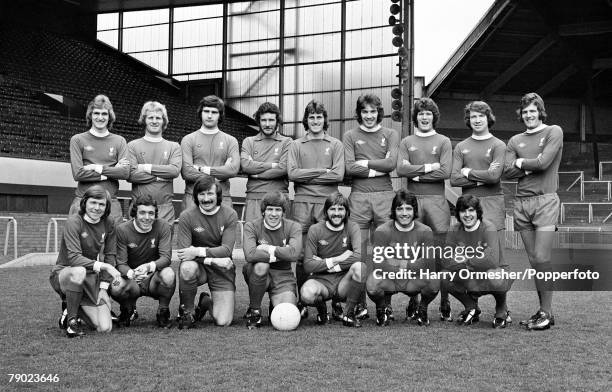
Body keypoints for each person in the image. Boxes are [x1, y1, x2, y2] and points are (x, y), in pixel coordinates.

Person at [503, 92, 563, 330]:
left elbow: (544, 163)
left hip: (545, 200)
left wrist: (520, 163)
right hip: (521, 203)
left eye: (533, 110)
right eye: (525, 111)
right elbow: (506, 172)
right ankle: (543, 311)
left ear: (540, 111)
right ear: (521, 114)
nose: (529, 115)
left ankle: (546, 313)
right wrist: (527, 165)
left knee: (541, 257)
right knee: (534, 261)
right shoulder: (514, 140)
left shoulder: (553, 131)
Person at [343, 94, 399, 319]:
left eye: (373, 111)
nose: (369, 116)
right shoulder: (349, 135)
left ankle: (384, 304)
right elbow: (348, 167)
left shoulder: (391, 133)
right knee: (359, 252)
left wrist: (364, 163)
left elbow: (391, 164)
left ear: (379, 112)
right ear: (359, 113)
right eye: (364, 112)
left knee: (384, 252)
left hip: (385, 195)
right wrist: (379, 167)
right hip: (358, 197)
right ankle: (360, 303)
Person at [396, 97, 453, 321]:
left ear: (434, 116)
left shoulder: (444, 141)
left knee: (440, 256)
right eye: (421, 113)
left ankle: (445, 301)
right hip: (413, 201)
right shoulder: (406, 141)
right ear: (415, 117)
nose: (424, 116)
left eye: (428, 113)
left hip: (437, 201)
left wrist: (415, 172)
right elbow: (401, 169)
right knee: (413, 253)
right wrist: (429, 168)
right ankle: (414, 298)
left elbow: (446, 172)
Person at [287, 100, 344, 318]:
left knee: (333, 252)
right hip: (301, 202)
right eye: (311, 117)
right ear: (306, 120)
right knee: (302, 256)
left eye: (319, 117)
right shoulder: (296, 145)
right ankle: (303, 301)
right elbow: (292, 174)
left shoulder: (335, 144)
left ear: (324, 119)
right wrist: (322, 170)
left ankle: (337, 303)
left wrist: (306, 173)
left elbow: (338, 175)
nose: (315, 121)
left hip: (328, 202)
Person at [450, 101, 507, 311]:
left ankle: (502, 308)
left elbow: (494, 177)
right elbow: (454, 179)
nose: (477, 120)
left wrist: (468, 172)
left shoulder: (499, 145)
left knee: (495, 258)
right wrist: (481, 178)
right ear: (468, 120)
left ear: (488, 117)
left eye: (481, 116)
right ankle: (470, 304)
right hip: (468, 206)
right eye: (473, 116)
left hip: (493, 203)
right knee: (467, 253)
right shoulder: (461, 146)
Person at [50, 185, 122, 337]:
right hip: (65, 272)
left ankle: (71, 307)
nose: (97, 208)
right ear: (85, 203)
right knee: (79, 270)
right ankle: (72, 322)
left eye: (101, 204)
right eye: (93, 203)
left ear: (107, 206)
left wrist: (103, 288)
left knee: (105, 328)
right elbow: (74, 258)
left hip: (90, 276)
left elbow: (110, 254)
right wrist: (105, 267)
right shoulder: (74, 222)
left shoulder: (109, 222)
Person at [366, 190, 438, 326]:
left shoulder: (425, 231)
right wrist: (410, 264)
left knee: (433, 280)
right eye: (400, 209)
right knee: (372, 283)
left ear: (414, 210)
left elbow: (429, 263)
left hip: (413, 280)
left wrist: (402, 264)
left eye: (408, 209)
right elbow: (378, 263)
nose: (404, 213)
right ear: (394, 210)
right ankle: (382, 308)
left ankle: (422, 309)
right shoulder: (382, 231)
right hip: (390, 279)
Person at [175, 175, 238, 328]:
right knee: (187, 268)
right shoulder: (186, 216)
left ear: (218, 195)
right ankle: (187, 313)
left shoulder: (230, 214)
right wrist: (213, 259)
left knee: (223, 322)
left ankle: (206, 303)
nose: (206, 198)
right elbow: (185, 254)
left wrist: (197, 251)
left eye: (210, 194)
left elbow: (226, 250)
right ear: (196, 196)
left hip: (222, 268)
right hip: (201, 266)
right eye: (201, 194)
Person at [443, 195, 513, 328]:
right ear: (458, 213)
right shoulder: (454, 229)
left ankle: (501, 310)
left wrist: (464, 259)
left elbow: (491, 261)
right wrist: (468, 263)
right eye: (463, 211)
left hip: (493, 272)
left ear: (477, 212)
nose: (467, 215)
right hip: (471, 273)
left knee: (495, 276)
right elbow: (446, 259)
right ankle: (472, 307)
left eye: (471, 210)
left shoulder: (488, 228)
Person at [300, 192, 365, 327]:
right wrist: (339, 258)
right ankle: (322, 310)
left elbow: (359, 256)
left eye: (341, 209)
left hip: (343, 281)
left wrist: (327, 264)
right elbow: (308, 265)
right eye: (332, 209)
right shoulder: (315, 229)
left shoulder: (352, 227)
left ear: (347, 211)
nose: (337, 213)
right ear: (326, 211)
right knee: (306, 294)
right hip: (321, 281)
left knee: (360, 267)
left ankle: (348, 314)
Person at [109, 195, 175, 328]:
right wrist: (132, 274)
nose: (147, 217)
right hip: (131, 278)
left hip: (152, 278)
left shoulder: (163, 226)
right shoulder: (122, 230)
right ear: (134, 213)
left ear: (155, 214)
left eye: (151, 213)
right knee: (116, 286)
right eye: (142, 212)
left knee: (169, 274)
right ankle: (127, 310)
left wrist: (148, 267)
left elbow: (166, 258)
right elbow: (120, 263)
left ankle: (163, 311)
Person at [242, 191, 302, 328]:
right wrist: (283, 252)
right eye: (270, 209)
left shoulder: (294, 227)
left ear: (283, 212)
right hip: (258, 271)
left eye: (278, 210)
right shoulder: (251, 226)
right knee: (261, 266)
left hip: (283, 275)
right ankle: (255, 310)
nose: (273, 214)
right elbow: (250, 255)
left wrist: (269, 248)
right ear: (263, 211)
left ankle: (273, 305)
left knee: (286, 313)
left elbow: (294, 255)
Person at [69, 94, 129, 221]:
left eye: (104, 114)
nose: (100, 117)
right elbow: (78, 174)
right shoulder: (77, 139)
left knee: (112, 241)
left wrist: (97, 168)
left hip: (110, 202)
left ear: (110, 116)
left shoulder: (120, 141)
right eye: (96, 113)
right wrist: (111, 172)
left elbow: (124, 173)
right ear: (90, 115)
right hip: (83, 201)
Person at [181, 95, 239, 211]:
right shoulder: (188, 139)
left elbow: (233, 170)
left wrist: (202, 170)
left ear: (220, 115)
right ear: (200, 113)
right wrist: (220, 174)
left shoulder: (231, 140)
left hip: (222, 197)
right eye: (206, 111)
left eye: (214, 112)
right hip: (194, 198)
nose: (209, 115)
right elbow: (187, 172)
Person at [127, 101, 182, 226]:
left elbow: (174, 171)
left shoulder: (174, 146)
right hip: (138, 208)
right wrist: (162, 176)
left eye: (158, 118)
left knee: (164, 245)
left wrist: (145, 167)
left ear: (164, 121)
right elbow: (131, 175)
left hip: (165, 209)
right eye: (150, 117)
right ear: (144, 120)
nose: (154, 121)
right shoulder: (132, 145)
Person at [240, 102, 292, 223]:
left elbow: (283, 168)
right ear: (258, 121)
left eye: (271, 120)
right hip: (254, 196)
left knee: (278, 240)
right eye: (263, 120)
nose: (267, 124)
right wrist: (273, 165)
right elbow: (246, 166)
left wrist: (256, 173)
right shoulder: (249, 142)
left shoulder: (287, 142)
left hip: (279, 198)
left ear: (277, 121)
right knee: (252, 238)